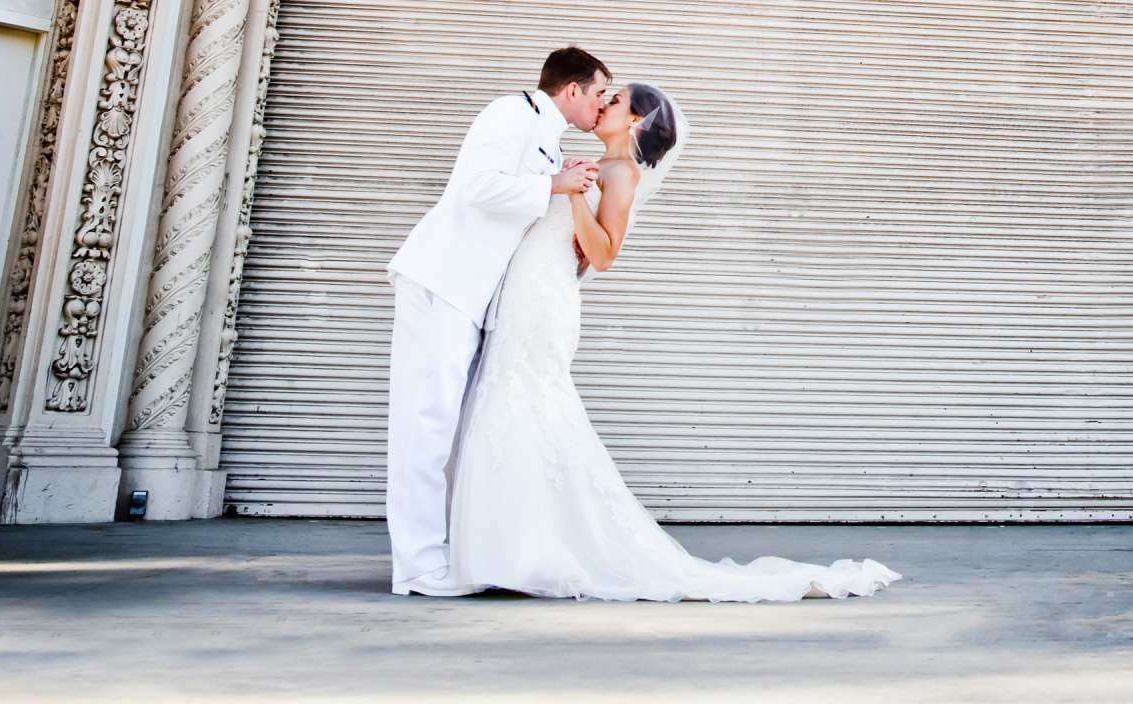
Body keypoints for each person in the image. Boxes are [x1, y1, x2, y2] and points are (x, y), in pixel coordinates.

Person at [443, 81, 899, 601]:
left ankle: (532, 550)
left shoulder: (621, 173)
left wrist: (571, 199)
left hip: (546, 295)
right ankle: (503, 545)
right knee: (504, 398)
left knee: (530, 400)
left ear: (635, 122)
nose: (602, 104)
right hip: (523, 289)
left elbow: (603, 254)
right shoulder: (590, 166)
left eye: (613, 102)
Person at [384, 46, 611, 596]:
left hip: (473, 297)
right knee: (425, 423)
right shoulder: (511, 113)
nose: (603, 105)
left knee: (447, 426)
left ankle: (438, 553)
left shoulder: (546, 136)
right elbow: (476, 189)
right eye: (600, 92)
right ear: (573, 90)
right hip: (443, 282)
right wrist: (555, 184)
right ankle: (415, 565)